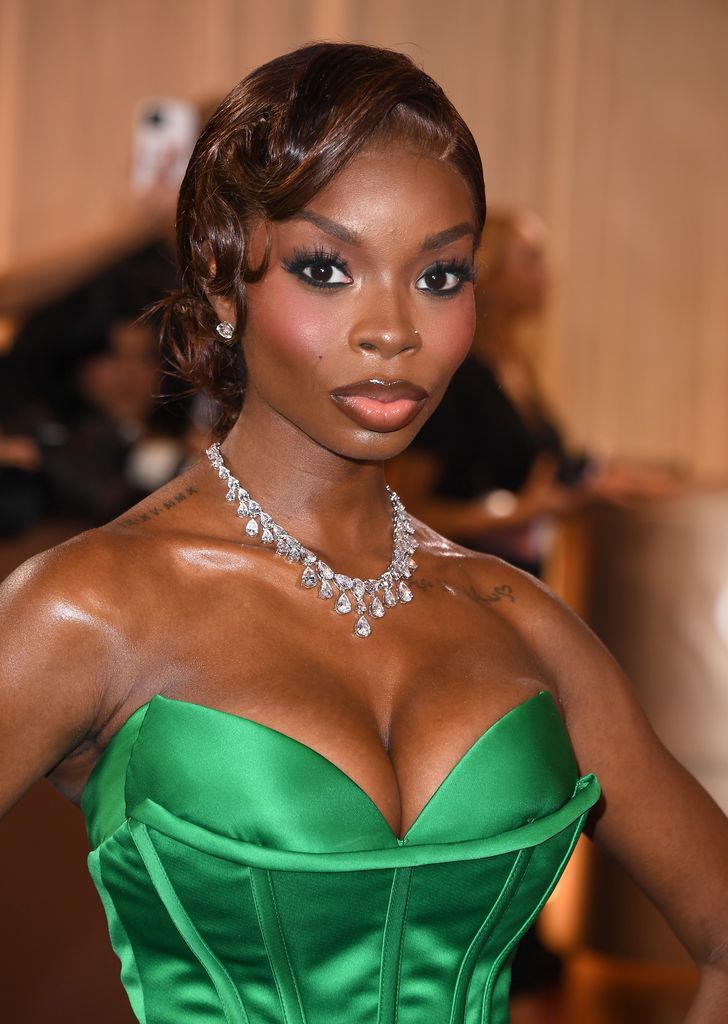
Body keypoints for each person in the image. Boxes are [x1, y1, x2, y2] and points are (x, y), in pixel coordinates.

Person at [0, 43, 726, 1024]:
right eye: (326, 267)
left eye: (438, 275)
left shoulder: (521, 623)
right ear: (223, 282)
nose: (392, 328)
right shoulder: (89, 606)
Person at [389, 207, 683, 577]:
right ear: (488, 275)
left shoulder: (514, 365)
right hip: (460, 589)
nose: (550, 274)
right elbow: (411, 512)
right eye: (532, 259)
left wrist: (608, 479)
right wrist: (520, 512)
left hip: (516, 580)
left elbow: (539, 467)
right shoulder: (456, 377)